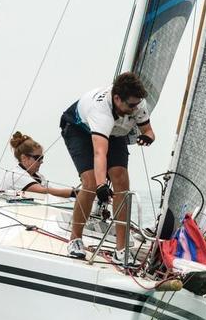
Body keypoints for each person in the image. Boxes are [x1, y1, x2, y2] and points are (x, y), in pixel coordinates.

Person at [60, 72, 155, 259]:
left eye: (137, 104)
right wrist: (101, 185)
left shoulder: (137, 104)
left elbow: (149, 131)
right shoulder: (100, 111)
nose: (135, 108)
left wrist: (147, 137)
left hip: (115, 132)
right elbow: (99, 153)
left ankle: (121, 250)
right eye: (131, 105)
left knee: (121, 181)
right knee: (90, 183)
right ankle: (75, 240)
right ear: (117, 98)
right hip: (80, 129)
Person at [0, 132, 78, 198]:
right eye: (38, 158)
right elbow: (44, 191)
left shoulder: (39, 177)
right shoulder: (15, 175)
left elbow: (54, 195)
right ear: (24, 158)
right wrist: (75, 193)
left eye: (42, 158)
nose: (41, 162)